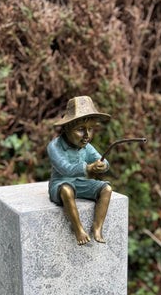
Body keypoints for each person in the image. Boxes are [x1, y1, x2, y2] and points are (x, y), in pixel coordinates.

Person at [47, 96, 112, 245]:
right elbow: (65, 169)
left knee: (106, 189)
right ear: (66, 128)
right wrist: (89, 168)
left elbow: (102, 160)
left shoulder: (86, 146)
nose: (87, 136)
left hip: (79, 183)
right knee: (67, 191)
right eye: (81, 130)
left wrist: (103, 165)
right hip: (60, 184)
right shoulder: (54, 146)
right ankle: (78, 230)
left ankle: (97, 226)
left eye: (90, 129)